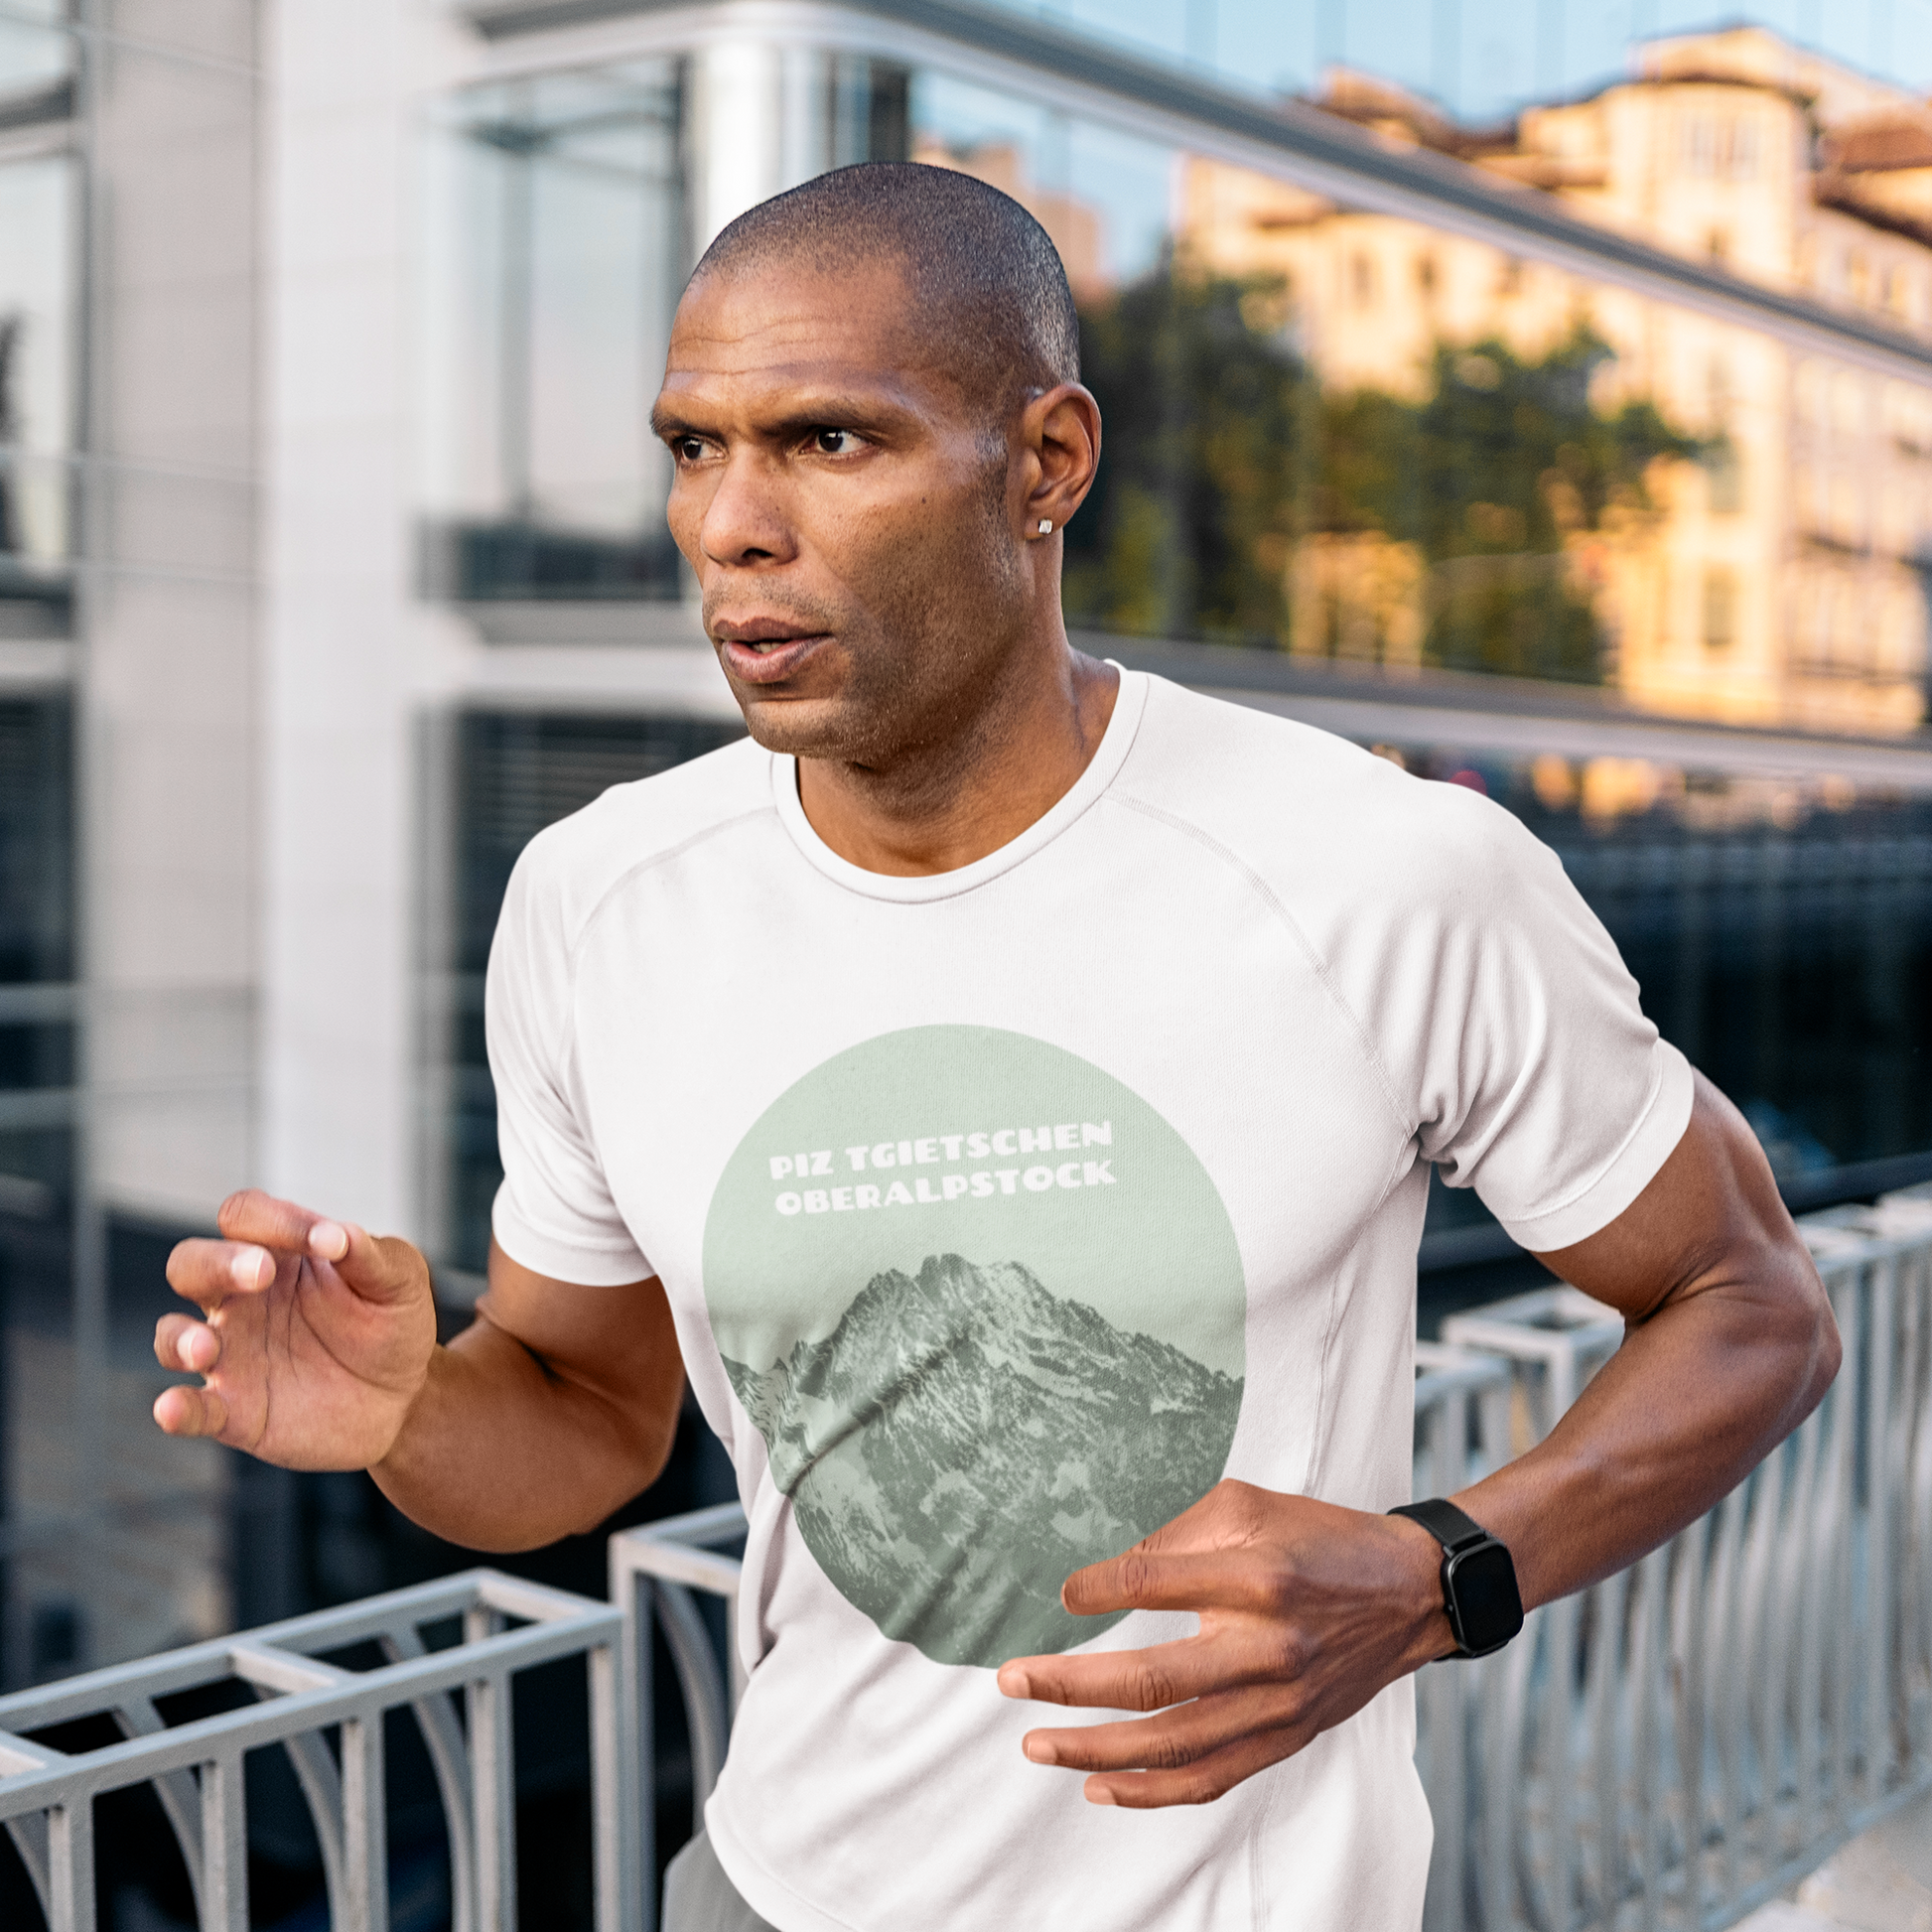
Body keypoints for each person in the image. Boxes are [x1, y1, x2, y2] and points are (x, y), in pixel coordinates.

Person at [154, 163, 1838, 1932]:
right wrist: (414, 1403)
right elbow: (580, 1423)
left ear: (1045, 462)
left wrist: (1439, 1576)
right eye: (690, 446)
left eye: (826, 441)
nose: (728, 523)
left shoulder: (1383, 872)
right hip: (769, 1889)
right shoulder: (597, 900)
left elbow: (1751, 1302)